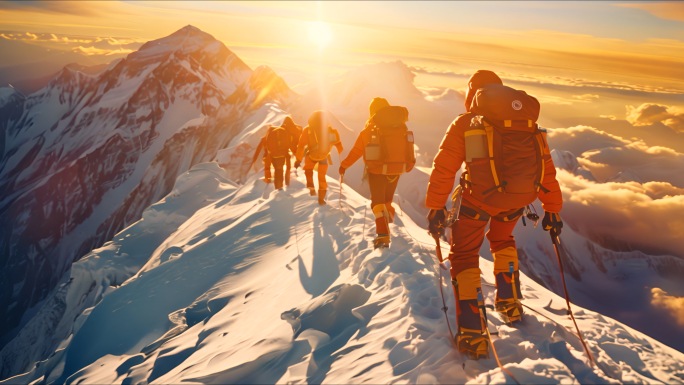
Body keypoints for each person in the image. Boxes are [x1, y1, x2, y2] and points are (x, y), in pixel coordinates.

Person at [424, 70, 563, 359]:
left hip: (478, 201)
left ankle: (473, 332)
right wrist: (552, 209)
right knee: (502, 238)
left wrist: (436, 206)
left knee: (464, 255)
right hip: (517, 200)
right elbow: (546, 168)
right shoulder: (528, 125)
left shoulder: (466, 123)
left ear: (472, 92)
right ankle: (510, 304)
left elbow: (444, 168)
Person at [339, 97, 415, 249]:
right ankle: (389, 227)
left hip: (377, 171)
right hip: (397, 169)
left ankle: (383, 236)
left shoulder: (370, 130)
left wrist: (344, 165)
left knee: (377, 203)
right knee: (387, 201)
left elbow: (356, 151)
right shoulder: (401, 127)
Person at [294, 110, 343, 205]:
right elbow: (338, 144)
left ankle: (311, 189)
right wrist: (343, 158)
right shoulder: (329, 130)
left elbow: (300, 146)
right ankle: (321, 199)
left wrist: (298, 160)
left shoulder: (307, 130)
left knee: (308, 170)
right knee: (322, 178)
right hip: (324, 157)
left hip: (311, 156)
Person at [251, 116, 302, 189]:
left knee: (276, 170)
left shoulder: (271, 131)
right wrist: (297, 155)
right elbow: (290, 145)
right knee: (282, 169)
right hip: (284, 154)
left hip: (272, 155)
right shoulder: (288, 131)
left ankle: (272, 183)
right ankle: (286, 184)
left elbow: (261, 146)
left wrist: (254, 159)